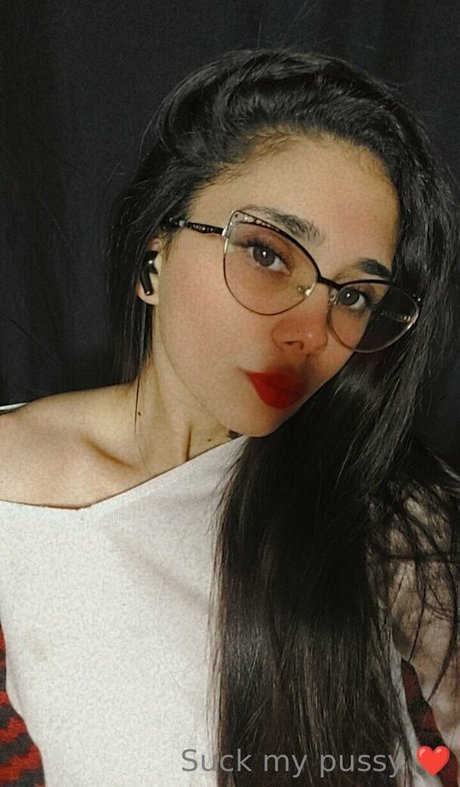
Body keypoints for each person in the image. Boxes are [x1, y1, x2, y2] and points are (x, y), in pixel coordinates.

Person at [0, 48, 458, 787]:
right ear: (154, 254)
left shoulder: (382, 505)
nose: (311, 332)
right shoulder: (15, 484)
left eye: (353, 296)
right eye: (268, 254)